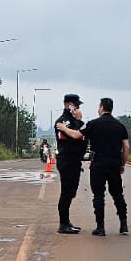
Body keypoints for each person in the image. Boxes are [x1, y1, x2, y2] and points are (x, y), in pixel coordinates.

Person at [81, 97, 131, 235]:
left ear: (102, 108)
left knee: (98, 195)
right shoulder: (120, 126)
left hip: (98, 164)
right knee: (117, 194)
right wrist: (122, 163)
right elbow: (126, 147)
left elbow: (78, 135)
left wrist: (63, 128)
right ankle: (123, 224)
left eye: (99, 106)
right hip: (114, 164)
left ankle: (100, 227)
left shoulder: (93, 124)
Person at [54, 94, 88, 233]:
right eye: (76, 105)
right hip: (67, 160)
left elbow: (85, 134)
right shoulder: (64, 122)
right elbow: (78, 136)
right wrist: (80, 121)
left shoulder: (72, 121)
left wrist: (79, 122)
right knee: (66, 192)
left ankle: (66, 221)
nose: (78, 107)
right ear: (69, 105)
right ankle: (63, 224)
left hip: (74, 161)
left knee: (71, 192)